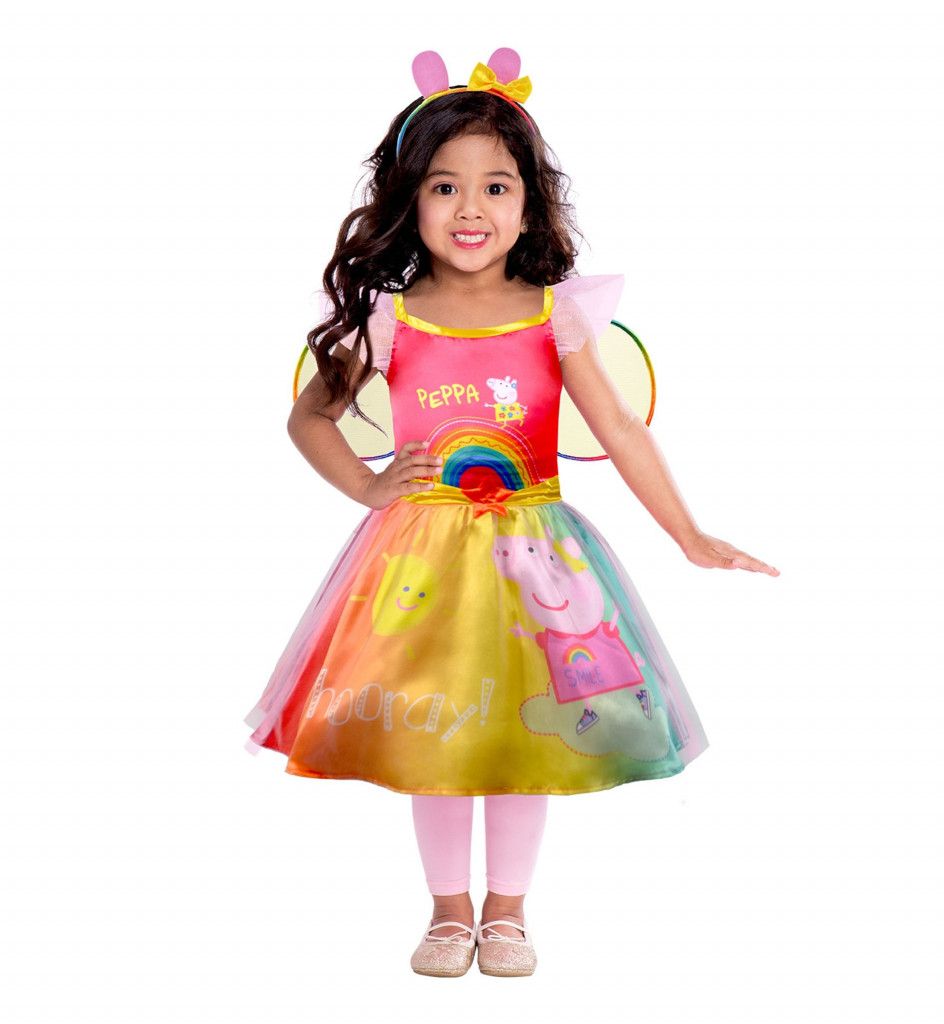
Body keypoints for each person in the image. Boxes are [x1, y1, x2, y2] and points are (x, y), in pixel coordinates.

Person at [243, 47, 780, 979]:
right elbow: (309, 417)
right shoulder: (392, 318)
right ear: (411, 200)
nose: (471, 209)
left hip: (536, 560)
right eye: (445, 187)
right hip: (418, 565)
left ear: (529, 205)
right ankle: (449, 910)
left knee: (528, 734)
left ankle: (508, 911)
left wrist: (689, 534)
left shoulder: (551, 314)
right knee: (438, 730)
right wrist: (369, 487)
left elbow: (619, 427)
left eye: (496, 187)